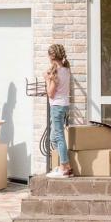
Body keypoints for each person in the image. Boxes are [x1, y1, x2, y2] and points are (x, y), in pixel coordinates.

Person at [46, 43, 72, 178]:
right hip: (64, 105)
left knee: (58, 136)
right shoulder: (66, 69)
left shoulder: (55, 72)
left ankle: (64, 167)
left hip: (57, 106)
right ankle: (64, 164)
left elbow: (50, 93)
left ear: (52, 56)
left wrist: (47, 80)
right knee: (53, 137)